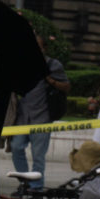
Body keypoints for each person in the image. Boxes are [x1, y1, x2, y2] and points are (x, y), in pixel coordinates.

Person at [11, 33, 70, 188]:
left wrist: (51, 81)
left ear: (44, 48)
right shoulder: (22, 64)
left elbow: (66, 86)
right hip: (23, 116)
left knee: (38, 155)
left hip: (42, 117)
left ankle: (36, 187)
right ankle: (25, 183)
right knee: (16, 147)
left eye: (37, 45)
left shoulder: (53, 65)